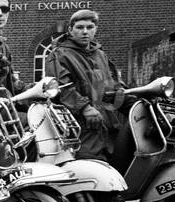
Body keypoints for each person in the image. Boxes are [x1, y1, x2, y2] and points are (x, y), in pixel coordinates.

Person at [44, 9, 127, 162]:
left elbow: (115, 83)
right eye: (79, 27)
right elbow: (61, 87)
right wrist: (85, 108)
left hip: (108, 123)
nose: (85, 32)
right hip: (80, 125)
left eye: (89, 27)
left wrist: (130, 96)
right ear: (70, 30)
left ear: (95, 29)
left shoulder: (100, 54)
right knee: (89, 167)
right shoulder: (59, 54)